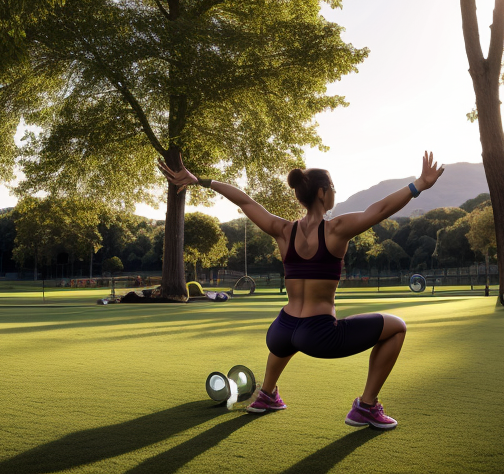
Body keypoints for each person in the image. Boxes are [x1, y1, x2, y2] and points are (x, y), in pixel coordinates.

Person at [159, 152, 444, 429]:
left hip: (281, 330)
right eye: (332, 188)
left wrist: (200, 181)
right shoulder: (336, 229)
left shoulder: (283, 230)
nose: (334, 192)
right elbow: (380, 210)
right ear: (322, 193)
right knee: (397, 327)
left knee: (288, 338)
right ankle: (366, 407)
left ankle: (267, 394)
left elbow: (244, 202)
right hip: (318, 333)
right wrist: (418, 185)